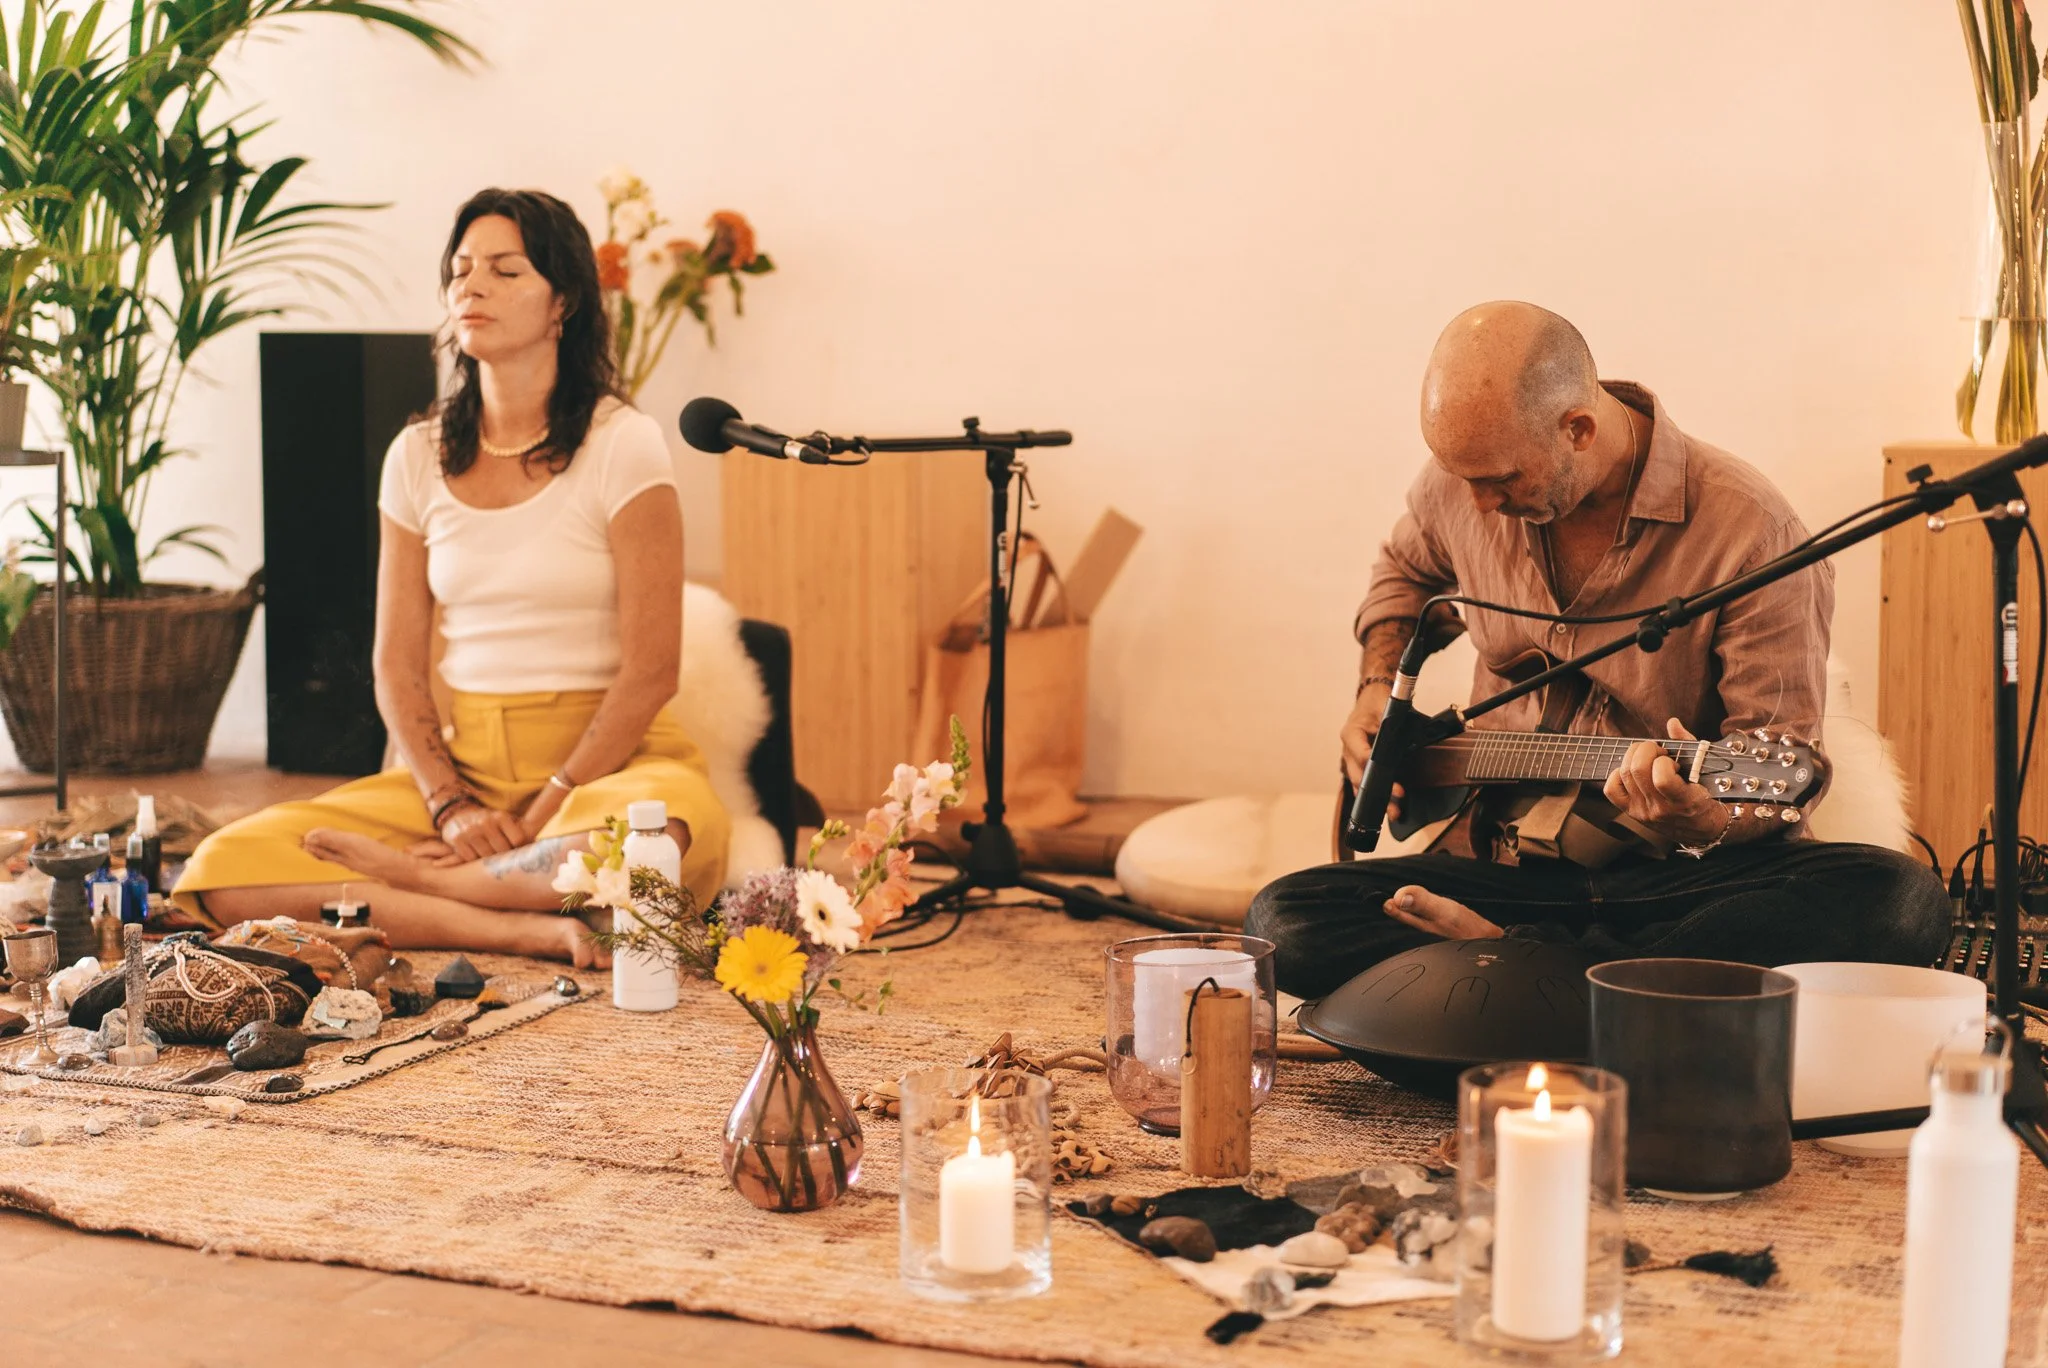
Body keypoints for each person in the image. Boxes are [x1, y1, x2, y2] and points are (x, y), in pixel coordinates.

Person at [1244, 301, 1948, 1000]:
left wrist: (1705, 817)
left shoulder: (1753, 533)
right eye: (1463, 480)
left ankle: (1498, 968)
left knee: (1902, 900)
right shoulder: (1463, 484)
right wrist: (1375, 689)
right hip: (1502, 869)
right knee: (1283, 919)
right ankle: (1620, 993)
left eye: (1500, 481)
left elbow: (1780, 764)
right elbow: (1404, 574)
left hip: (1672, 882)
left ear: (1577, 429)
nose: (1478, 504)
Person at [173, 188, 730, 966]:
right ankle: (506, 920)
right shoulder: (418, 455)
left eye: (505, 271)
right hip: (459, 771)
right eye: (461, 270)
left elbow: (651, 671)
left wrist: (543, 811)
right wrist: (450, 806)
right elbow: (397, 667)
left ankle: (419, 889)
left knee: (657, 840)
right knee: (225, 873)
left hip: (603, 770)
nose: (472, 287)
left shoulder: (623, 444)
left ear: (563, 300)